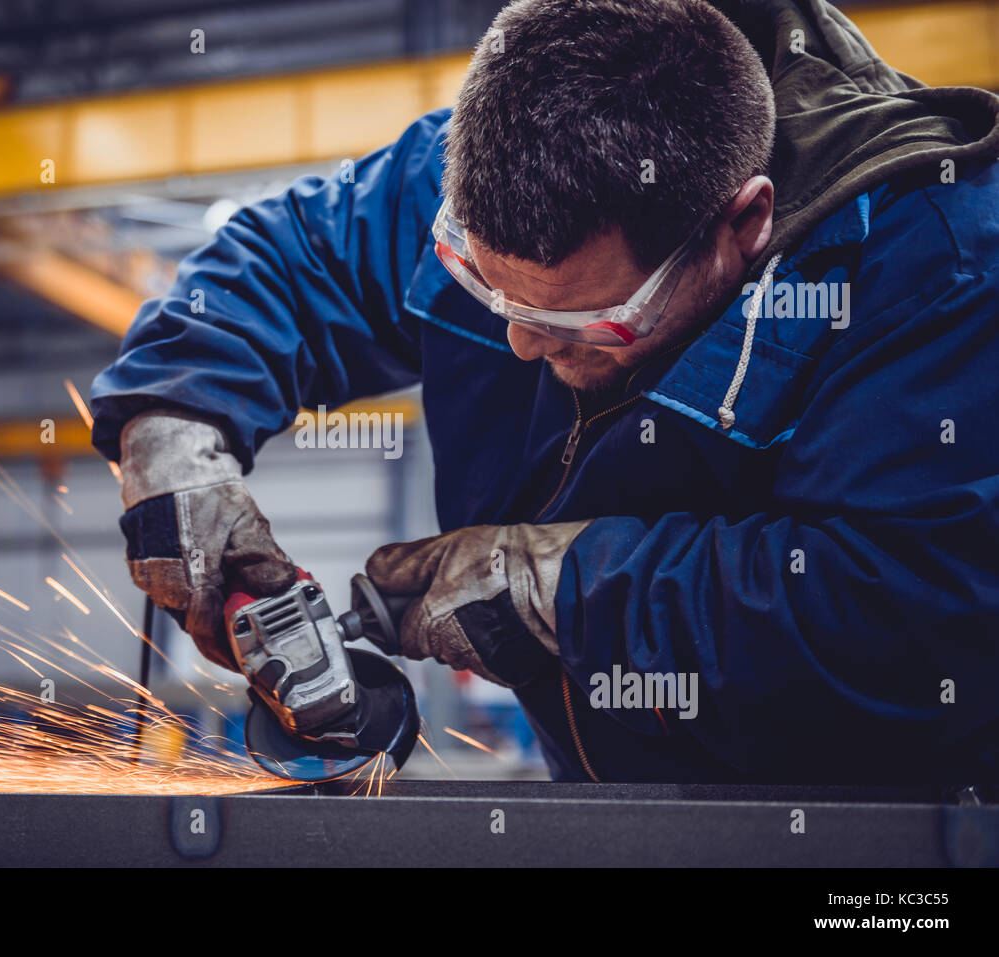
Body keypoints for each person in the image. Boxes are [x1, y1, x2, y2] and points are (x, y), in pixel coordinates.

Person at [90, 0, 999, 782]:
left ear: (744, 223)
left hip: (871, 849)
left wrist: (560, 592)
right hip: (613, 805)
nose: (521, 341)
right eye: (485, 290)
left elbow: (918, 617)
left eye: (580, 324)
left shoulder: (931, 260)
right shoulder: (497, 166)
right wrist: (175, 434)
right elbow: (283, 261)